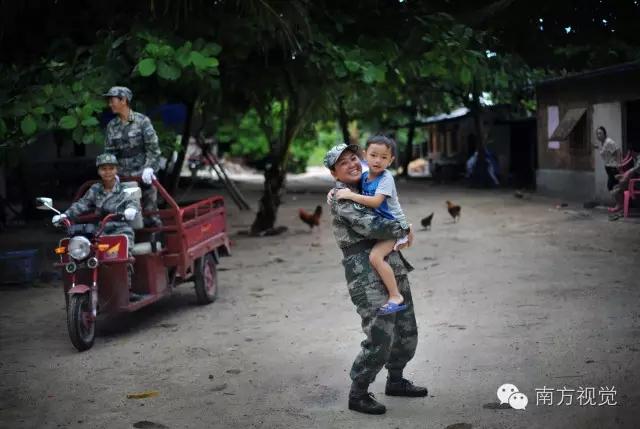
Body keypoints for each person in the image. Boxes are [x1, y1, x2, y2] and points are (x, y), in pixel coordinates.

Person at [324, 143, 427, 415]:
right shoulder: (340, 197)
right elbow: (375, 225)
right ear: (334, 171)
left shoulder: (369, 185)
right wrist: (404, 228)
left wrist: (400, 231)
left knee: (406, 329)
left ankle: (396, 380)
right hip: (364, 272)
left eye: (354, 158)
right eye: (343, 162)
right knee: (380, 333)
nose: (352, 164)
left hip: (391, 262)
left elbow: (387, 207)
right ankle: (358, 392)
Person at [333, 136, 410, 315]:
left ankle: (395, 295)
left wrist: (350, 196)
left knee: (375, 257)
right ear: (365, 155)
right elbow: (353, 189)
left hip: (395, 226)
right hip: (387, 226)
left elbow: (375, 201)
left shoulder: (386, 178)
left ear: (390, 161)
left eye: (384, 157)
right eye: (374, 155)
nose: (378, 160)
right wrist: (334, 190)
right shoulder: (366, 176)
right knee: (377, 257)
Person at [52, 153, 142, 300]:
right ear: (99, 171)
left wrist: (131, 210)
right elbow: (82, 205)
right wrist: (65, 215)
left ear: (116, 170)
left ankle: (127, 288)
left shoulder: (125, 188)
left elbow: (133, 203)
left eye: (111, 168)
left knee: (124, 254)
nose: (107, 172)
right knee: (86, 252)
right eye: (104, 169)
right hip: (101, 228)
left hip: (121, 227)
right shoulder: (95, 189)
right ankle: (93, 286)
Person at [103, 86, 162, 227]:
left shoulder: (142, 121)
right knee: (121, 214)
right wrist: (111, 172)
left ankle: (156, 239)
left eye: (113, 100)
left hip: (143, 174)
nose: (110, 104)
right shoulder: (112, 126)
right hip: (122, 176)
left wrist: (149, 168)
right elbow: (109, 152)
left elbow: (153, 149)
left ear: (123, 100)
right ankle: (126, 242)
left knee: (151, 212)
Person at [594, 126, 622, 194]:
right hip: (608, 167)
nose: (598, 135)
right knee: (613, 186)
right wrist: (598, 147)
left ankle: (620, 203)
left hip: (613, 167)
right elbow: (606, 152)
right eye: (597, 134)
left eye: (600, 133)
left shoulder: (609, 142)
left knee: (612, 186)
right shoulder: (603, 143)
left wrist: (618, 164)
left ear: (604, 134)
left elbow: (617, 151)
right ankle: (619, 203)